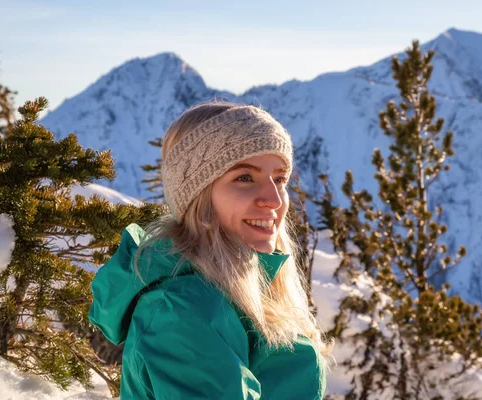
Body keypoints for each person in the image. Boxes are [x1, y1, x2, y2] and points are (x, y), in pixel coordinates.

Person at [89, 101, 332, 399]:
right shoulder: (180, 309)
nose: (274, 198)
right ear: (198, 195)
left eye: (279, 179)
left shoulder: (237, 290)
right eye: (245, 178)